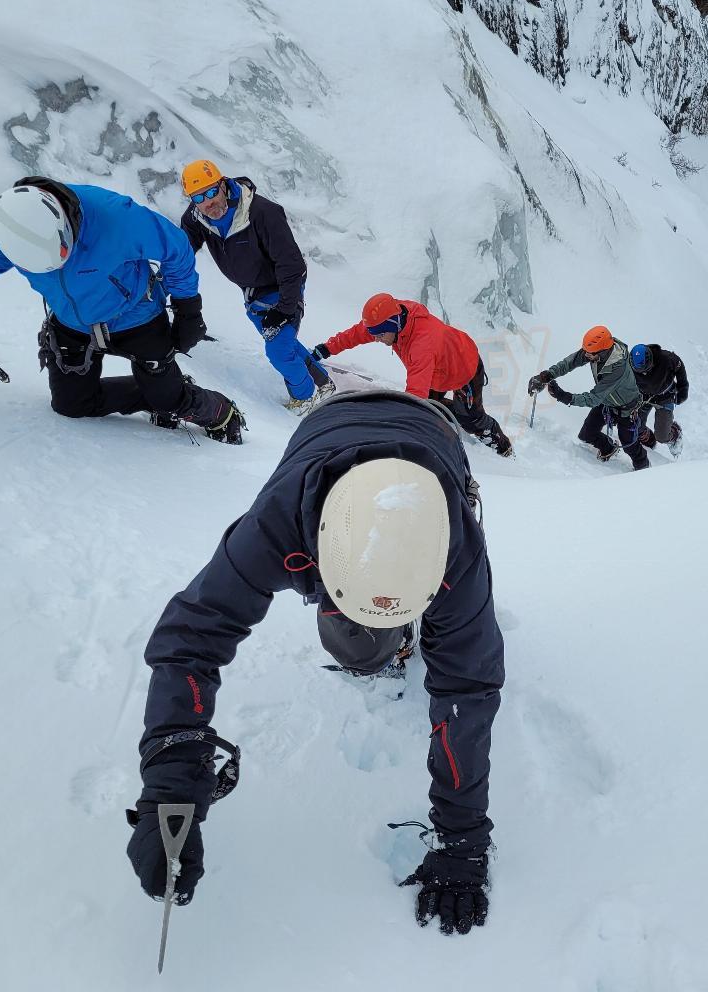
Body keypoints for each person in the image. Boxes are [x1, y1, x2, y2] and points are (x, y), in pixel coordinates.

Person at [125, 390, 503, 936]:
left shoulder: (456, 549)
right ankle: (379, 638)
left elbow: (468, 689)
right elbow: (190, 638)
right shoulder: (276, 525)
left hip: (436, 437)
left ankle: (400, 627)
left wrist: (462, 840)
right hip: (328, 427)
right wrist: (170, 783)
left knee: (446, 636)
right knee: (358, 647)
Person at [0, 177, 244, 441]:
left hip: (136, 316)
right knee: (71, 406)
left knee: (170, 398)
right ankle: (157, 394)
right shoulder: (7, 227)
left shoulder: (117, 218)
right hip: (71, 322)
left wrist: (187, 310)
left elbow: (177, 250)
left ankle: (214, 409)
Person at [179, 159, 333, 414]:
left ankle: (306, 399)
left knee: (278, 349)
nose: (208, 202)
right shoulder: (196, 218)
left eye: (211, 192)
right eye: (198, 198)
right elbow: (182, 251)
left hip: (283, 283)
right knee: (283, 340)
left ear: (223, 185)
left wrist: (285, 308)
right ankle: (323, 383)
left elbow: (290, 265)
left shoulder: (263, 213)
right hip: (253, 291)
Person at [311, 293, 514, 457]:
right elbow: (357, 333)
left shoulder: (422, 344)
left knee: (471, 420)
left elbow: (415, 395)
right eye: (374, 334)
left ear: (393, 326)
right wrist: (326, 348)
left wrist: (401, 434)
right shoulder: (391, 318)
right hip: (435, 369)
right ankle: (448, 414)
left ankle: (503, 448)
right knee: (433, 407)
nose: (377, 339)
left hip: (463, 367)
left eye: (380, 335)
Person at [528, 325, 649, 471]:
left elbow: (594, 398)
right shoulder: (594, 352)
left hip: (627, 408)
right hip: (607, 402)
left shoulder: (617, 368)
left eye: (590, 353)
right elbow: (570, 362)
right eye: (586, 351)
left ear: (603, 351)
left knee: (629, 445)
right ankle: (608, 447)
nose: (586, 355)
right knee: (587, 434)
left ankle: (643, 469)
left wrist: (564, 396)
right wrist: (547, 375)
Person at [629, 343, 689, 456]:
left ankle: (675, 432)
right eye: (639, 370)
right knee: (635, 427)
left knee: (662, 436)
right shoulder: (628, 365)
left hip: (665, 396)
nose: (643, 373)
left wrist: (683, 388)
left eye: (645, 369)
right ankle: (649, 443)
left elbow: (679, 367)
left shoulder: (666, 358)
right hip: (643, 396)